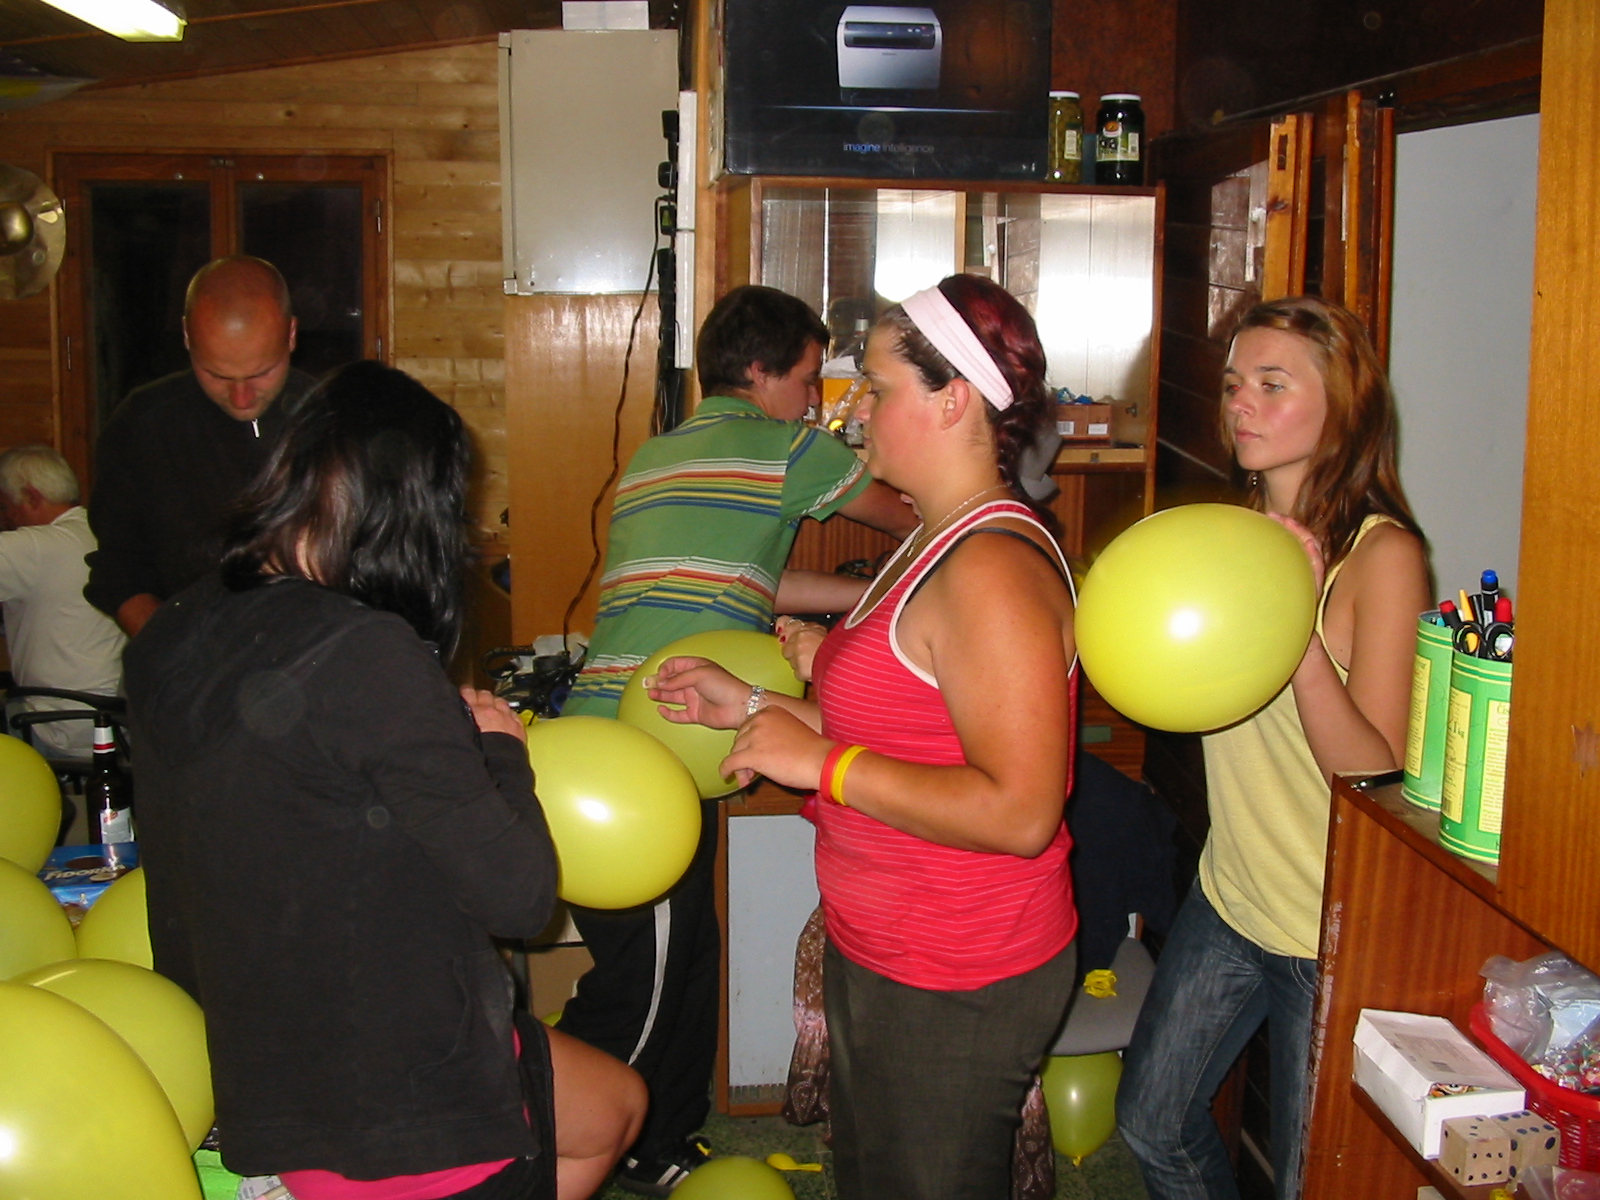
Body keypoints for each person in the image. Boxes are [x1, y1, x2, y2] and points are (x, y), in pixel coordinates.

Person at [122, 361, 647, 1200]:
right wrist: (499, 750)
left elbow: (199, 873)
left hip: (264, 1063)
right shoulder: (367, 652)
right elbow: (519, 900)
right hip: (402, 1101)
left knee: (612, 1105)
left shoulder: (170, 631)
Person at [646, 274, 1081, 1200]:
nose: (852, 410)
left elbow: (1020, 811)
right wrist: (754, 709)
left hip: (958, 964)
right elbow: (899, 729)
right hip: (882, 938)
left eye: (877, 388)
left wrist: (823, 765)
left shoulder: (991, 569)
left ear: (953, 398)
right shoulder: (927, 541)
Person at [557, 284, 915, 1194]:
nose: (814, 399)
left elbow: (755, 582)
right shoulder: (789, 448)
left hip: (633, 735)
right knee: (643, 980)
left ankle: (659, 1142)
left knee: (688, 949)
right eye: (807, 377)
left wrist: (863, 600)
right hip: (639, 751)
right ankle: (539, 1124)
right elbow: (916, 521)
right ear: (760, 372)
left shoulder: (657, 454)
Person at [1116, 296, 1431, 1200]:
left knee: (1308, 1182)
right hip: (1232, 893)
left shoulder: (1383, 557)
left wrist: (1292, 627)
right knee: (1151, 1122)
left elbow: (1372, 769)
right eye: (1232, 385)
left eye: (1271, 383)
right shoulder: (1237, 527)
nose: (1239, 404)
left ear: (1343, 405)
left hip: (1324, 930)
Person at [86, 255, 316, 638]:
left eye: (261, 373)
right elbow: (119, 570)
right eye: (217, 375)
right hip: (182, 653)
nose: (241, 398)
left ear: (291, 334)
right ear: (187, 336)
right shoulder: (142, 425)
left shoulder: (332, 421)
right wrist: (176, 651)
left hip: (314, 655)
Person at [0, 445, 125, 757]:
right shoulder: (104, 534)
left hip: (62, 724)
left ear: (31, 497)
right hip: (122, 718)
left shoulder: (33, 546)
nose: (5, 520)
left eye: (6, 507)